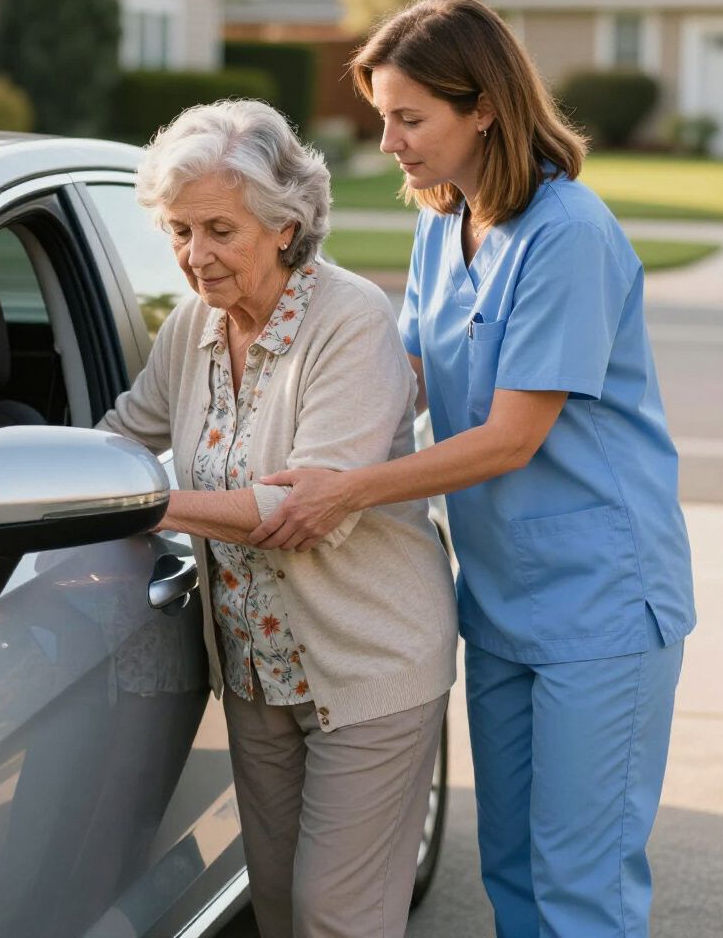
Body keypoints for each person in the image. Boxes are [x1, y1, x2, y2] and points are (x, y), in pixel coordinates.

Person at [249, 0, 696, 938]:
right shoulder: (439, 225)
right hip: (497, 598)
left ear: (483, 106)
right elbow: (402, 377)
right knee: (512, 873)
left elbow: (509, 439)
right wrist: (285, 446)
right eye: (383, 117)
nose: (390, 141)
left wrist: (346, 491)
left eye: (410, 118)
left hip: (603, 601)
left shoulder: (567, 234)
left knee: (582, 888)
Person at [97, 99, 458, 938]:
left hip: (368, 668)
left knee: (340, 914)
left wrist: (139, 503)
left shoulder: (351, 322)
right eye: (181, 232)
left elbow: (297, 512)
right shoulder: (192, 327)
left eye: (220, 230)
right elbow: (120, 436)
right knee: (282, 910)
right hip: (257, 677)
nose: (197, 256)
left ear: (285, 225)